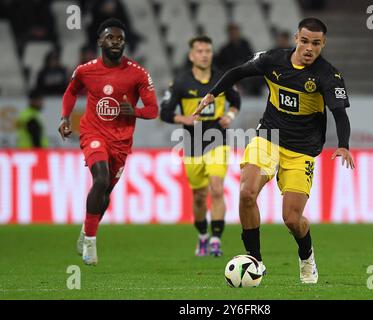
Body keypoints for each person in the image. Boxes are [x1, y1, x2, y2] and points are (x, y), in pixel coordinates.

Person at [194, 18, 355, 283]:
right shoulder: (273, 60)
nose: (309, 48)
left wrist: (344, 145)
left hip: (302, 149)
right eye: (304, 41)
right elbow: (237, 72)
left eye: (316, 43)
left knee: (292, 219)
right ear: (296, 39)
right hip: (268, 137)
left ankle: (307, 258)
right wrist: (212, 94)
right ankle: (254, 260)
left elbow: (340, 114)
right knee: (247, 194)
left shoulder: (329, 76)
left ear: (323, 44)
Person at [58, 18, 159, 266]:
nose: (115, 42)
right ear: (100, 41)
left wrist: (133, 111)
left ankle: (86, 230)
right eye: (110, 38)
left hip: (121, 142)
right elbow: (71, 91)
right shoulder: (86, 70)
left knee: (105, 192)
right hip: (93, 133)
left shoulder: (137, 73)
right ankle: (91, 243)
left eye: (120, 38)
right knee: (100, 179)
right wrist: (65, 117)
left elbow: (154, 109)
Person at [160, 36, 241, 257]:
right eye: (200, 51)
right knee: (198, 195)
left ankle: (216, 240)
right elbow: (164, 112)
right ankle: (203, 236)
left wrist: (230, 115)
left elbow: (236, 101)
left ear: (212, 53)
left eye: (208, 50)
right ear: (191, 55)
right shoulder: (180, 83)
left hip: (218, 140)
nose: (204, 54)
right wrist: (182, 119)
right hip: (192, 144)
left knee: (216, 188)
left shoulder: (223, 79)